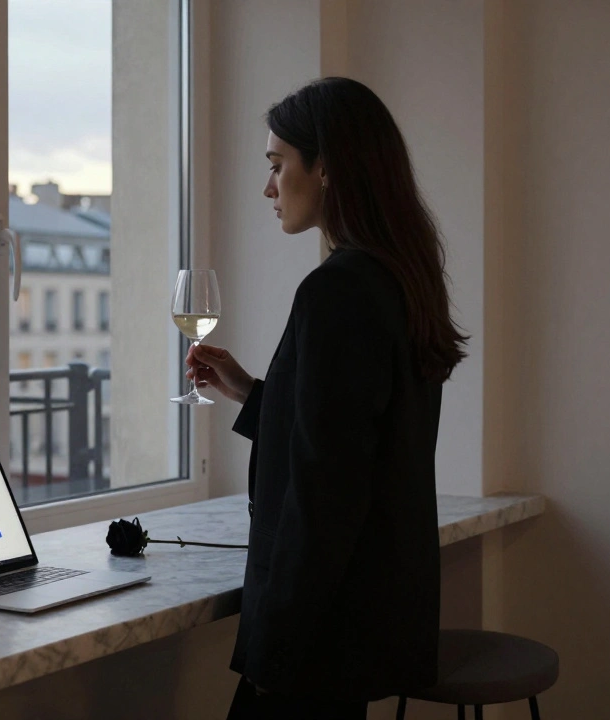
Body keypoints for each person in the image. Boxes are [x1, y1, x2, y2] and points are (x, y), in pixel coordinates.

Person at [187, 77, 468, 719]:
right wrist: (251, 393)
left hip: (319, 634)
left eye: (277, 165)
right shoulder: (401, 277)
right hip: (364, 618)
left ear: (328, 169)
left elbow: (325, 493)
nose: (268, 187)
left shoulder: (336, 291)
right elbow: (352, 437)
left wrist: (274, 648)